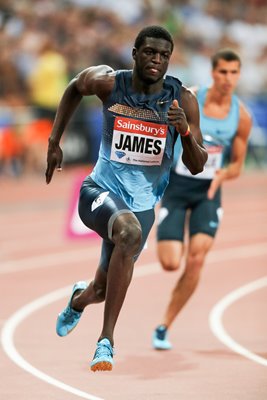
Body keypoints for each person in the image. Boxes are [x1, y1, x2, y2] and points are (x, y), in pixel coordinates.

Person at [45, 25, 208, 371]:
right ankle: (106, 341)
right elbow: (75, 87)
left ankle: (79, 299)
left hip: (142, 204)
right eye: (150, 52)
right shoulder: (108, 82)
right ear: (135, 54)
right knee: (129, 233)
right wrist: (53, 142)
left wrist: (185, 132)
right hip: (99, 191)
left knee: (103, 289)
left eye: (164, 55)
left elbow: (197, 165)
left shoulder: (183, 100)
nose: (157, 60)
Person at [152, 48, 252, 350]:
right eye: (223, 72)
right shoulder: (189, 98)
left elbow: (237, 165)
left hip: (208, 192)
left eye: (234, 73)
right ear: (212, 72)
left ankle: (164, 325)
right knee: (171, 263)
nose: (228, 79)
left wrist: (223, 175)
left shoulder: (241, 116)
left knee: (196, 260)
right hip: (177, 187)